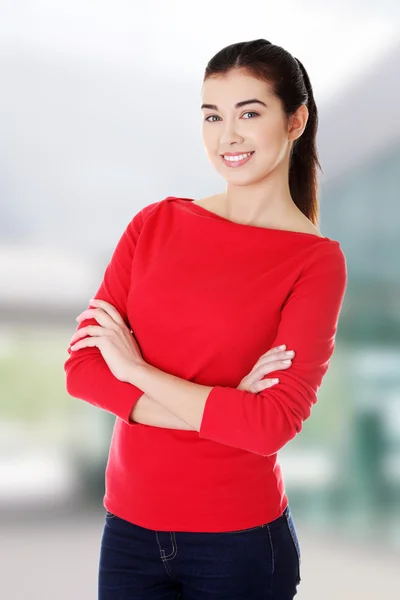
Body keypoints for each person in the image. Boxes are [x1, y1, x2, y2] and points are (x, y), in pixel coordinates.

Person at [64, 38, 347, 600]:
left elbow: (270, 425)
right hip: (127, 531)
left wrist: (136, 369)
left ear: (295, 120)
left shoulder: (314, 262)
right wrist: (222, 407)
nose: (228, 136)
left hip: (238, 543)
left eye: (250, 113)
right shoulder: (154, 225)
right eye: (212, 116)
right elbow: (83, 370)